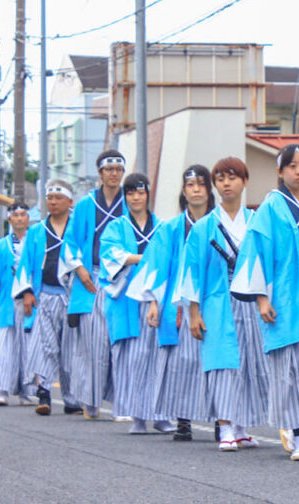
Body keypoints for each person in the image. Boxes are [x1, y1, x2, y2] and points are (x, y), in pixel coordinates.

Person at [231, 144, 299, 462]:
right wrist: (262, 298)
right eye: (292, 166)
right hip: (285, 297)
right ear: (280, 172)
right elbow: (255, 253)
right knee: (291, 365)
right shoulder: (271, 207)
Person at [183, 157, 268, 451]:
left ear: (244, 182)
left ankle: (242, 425)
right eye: (220, 179)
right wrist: (194, 312)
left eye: (233, 177)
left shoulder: (257, 222)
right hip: (217, 302)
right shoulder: (204, 227)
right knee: (222, 363)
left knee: (249, 361)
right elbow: (193, 270)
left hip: (250, 301)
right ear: (214, 185)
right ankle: (225, 425)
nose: (226, 184)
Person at [131, 164, 213, 443]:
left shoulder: (219, 223)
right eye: (191, 185)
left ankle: (219, 418)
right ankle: (183, 420)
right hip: (178, 302)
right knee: (181, 362)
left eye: (201, 184)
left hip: (213, 300)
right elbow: (157, 265)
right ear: (183, 191)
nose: (196, 190)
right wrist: (154, 301)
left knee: (213, 361)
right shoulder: (172, 228)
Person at [102, 172, 174, 434]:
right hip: (127, 301)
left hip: (156, 297)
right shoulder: (116, 227)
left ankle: (161, 414)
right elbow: (111, 256)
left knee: (158, 357)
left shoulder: (163, 226)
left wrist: (145, 259)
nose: (136, 197)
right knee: (132, 358)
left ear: (147, 195)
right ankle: (138, 416)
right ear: (125, 196)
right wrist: (144, 257)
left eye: (140, 192)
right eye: (131, 192)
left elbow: (168, 259)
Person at [60, 150, 124, 420]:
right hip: (93, 278)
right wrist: (80, 269)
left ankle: (124, 404)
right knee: (94, 344)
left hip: (123, 279)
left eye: (117, 169)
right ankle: (91, 400)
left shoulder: (129, 201)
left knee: (122, 343)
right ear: (100, 173)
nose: (113, 173)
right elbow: (70, 241)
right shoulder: (87, 204)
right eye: (108, 169)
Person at [16, 178, 81, 416]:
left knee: (71, 347)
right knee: (45, 346)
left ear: (69, 201)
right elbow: (25, 265)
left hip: (72, 296)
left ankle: (72, 397)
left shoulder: (78, 228)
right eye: (50, 198)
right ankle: (43, 392)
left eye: (58, 198)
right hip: (45, 294)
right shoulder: (36, 231)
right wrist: (27, 292)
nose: (53, 202)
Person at [0, 201, 33, 406]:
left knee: (28, 349)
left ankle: (27, 392)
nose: (19, 218)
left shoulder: (35, 242)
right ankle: (2, 391)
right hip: (5, 304)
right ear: (9, 219)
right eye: (15, 215)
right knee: (4, 348)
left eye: (23, 215)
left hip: (29, 304)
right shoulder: (0, 246)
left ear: (28, 218)